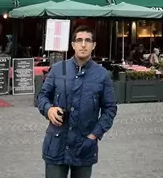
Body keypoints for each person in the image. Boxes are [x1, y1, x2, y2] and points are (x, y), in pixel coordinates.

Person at [37, 26, 118, 178]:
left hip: (84, 146)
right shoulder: (59, 69)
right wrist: (49, 109)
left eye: (88, 40)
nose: (83, 44)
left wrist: (94, 135)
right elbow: (42, 96)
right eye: (79, 40)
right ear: (73, 45)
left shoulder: (102, 75)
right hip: (56, 144)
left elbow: (110, 109)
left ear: (93, 45)